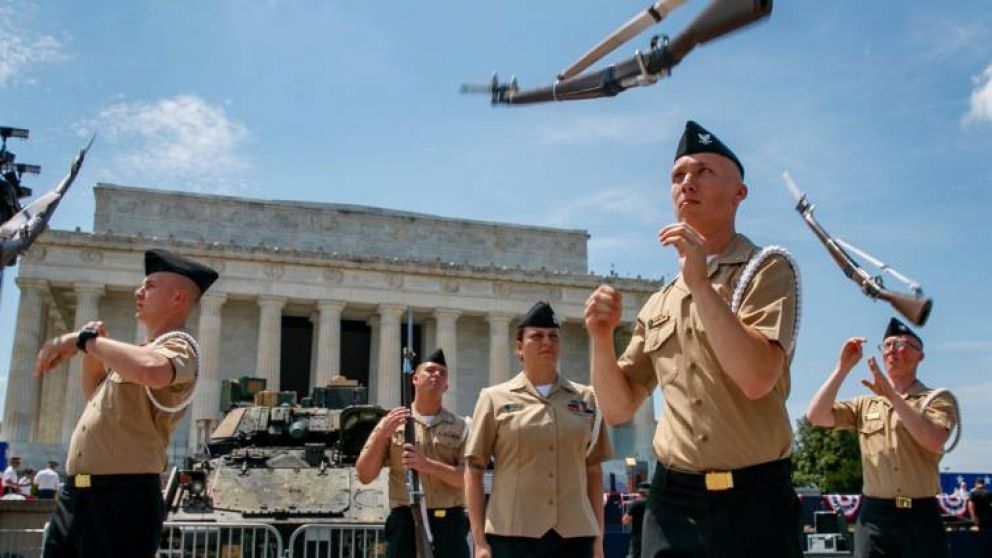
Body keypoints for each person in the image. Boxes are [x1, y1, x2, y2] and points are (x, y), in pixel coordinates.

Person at [585, 120, 802, 558]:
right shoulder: (660, 302)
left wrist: (701, 285)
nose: (688, 183)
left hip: (753, 501)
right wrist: (599, 337)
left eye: (703, 171)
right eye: (678, 175)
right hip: (672, 502)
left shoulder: (766, 269)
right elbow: (618, 406)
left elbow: (758, 378)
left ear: (739, 193)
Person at [35, 248, 218, 558]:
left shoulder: (180, 346)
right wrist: (93, 347)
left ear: (177, 298)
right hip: (77, 494)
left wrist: (82, 341)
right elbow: (94, 395)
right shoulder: (138, 352)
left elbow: (152, 370)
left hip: (120, 498)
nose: (139, 291)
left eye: (150, 286)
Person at [465, 301, 613, 558]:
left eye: (553, 336)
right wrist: (479, 542)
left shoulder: (586, 399)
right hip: (512, 535)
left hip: (575, 536)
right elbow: (474, 470)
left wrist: (598, 540)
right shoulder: (493, 398)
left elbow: (593, 472)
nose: (547, 342)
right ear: (519, 348)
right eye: (537, 336)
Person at [806, 318, 958, 558]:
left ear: (921, 356)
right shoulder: (865, 404)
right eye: (887, 345)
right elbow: (816, 415)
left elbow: (934, 440)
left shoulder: (937, 399)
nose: (892, 350)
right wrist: (843, 367)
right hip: (875, 515)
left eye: (901, 344)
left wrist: (892, 397)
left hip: (919, 514)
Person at [356, 348, 470, 558]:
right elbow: (365, 474)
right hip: (405, 520)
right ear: (415, 379)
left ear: (447, 386)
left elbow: (467, 478)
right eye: (430, 371)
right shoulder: (392, 422)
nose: (436, 375)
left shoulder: (461, 427)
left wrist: (426, 465)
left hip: (449, 523)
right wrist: (382, 436)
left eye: (442, 373)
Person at [622, 483, 651, 558]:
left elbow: (625, 520)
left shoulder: (637, 503)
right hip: (651, 538)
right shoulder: (654, 503)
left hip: (638, 537)